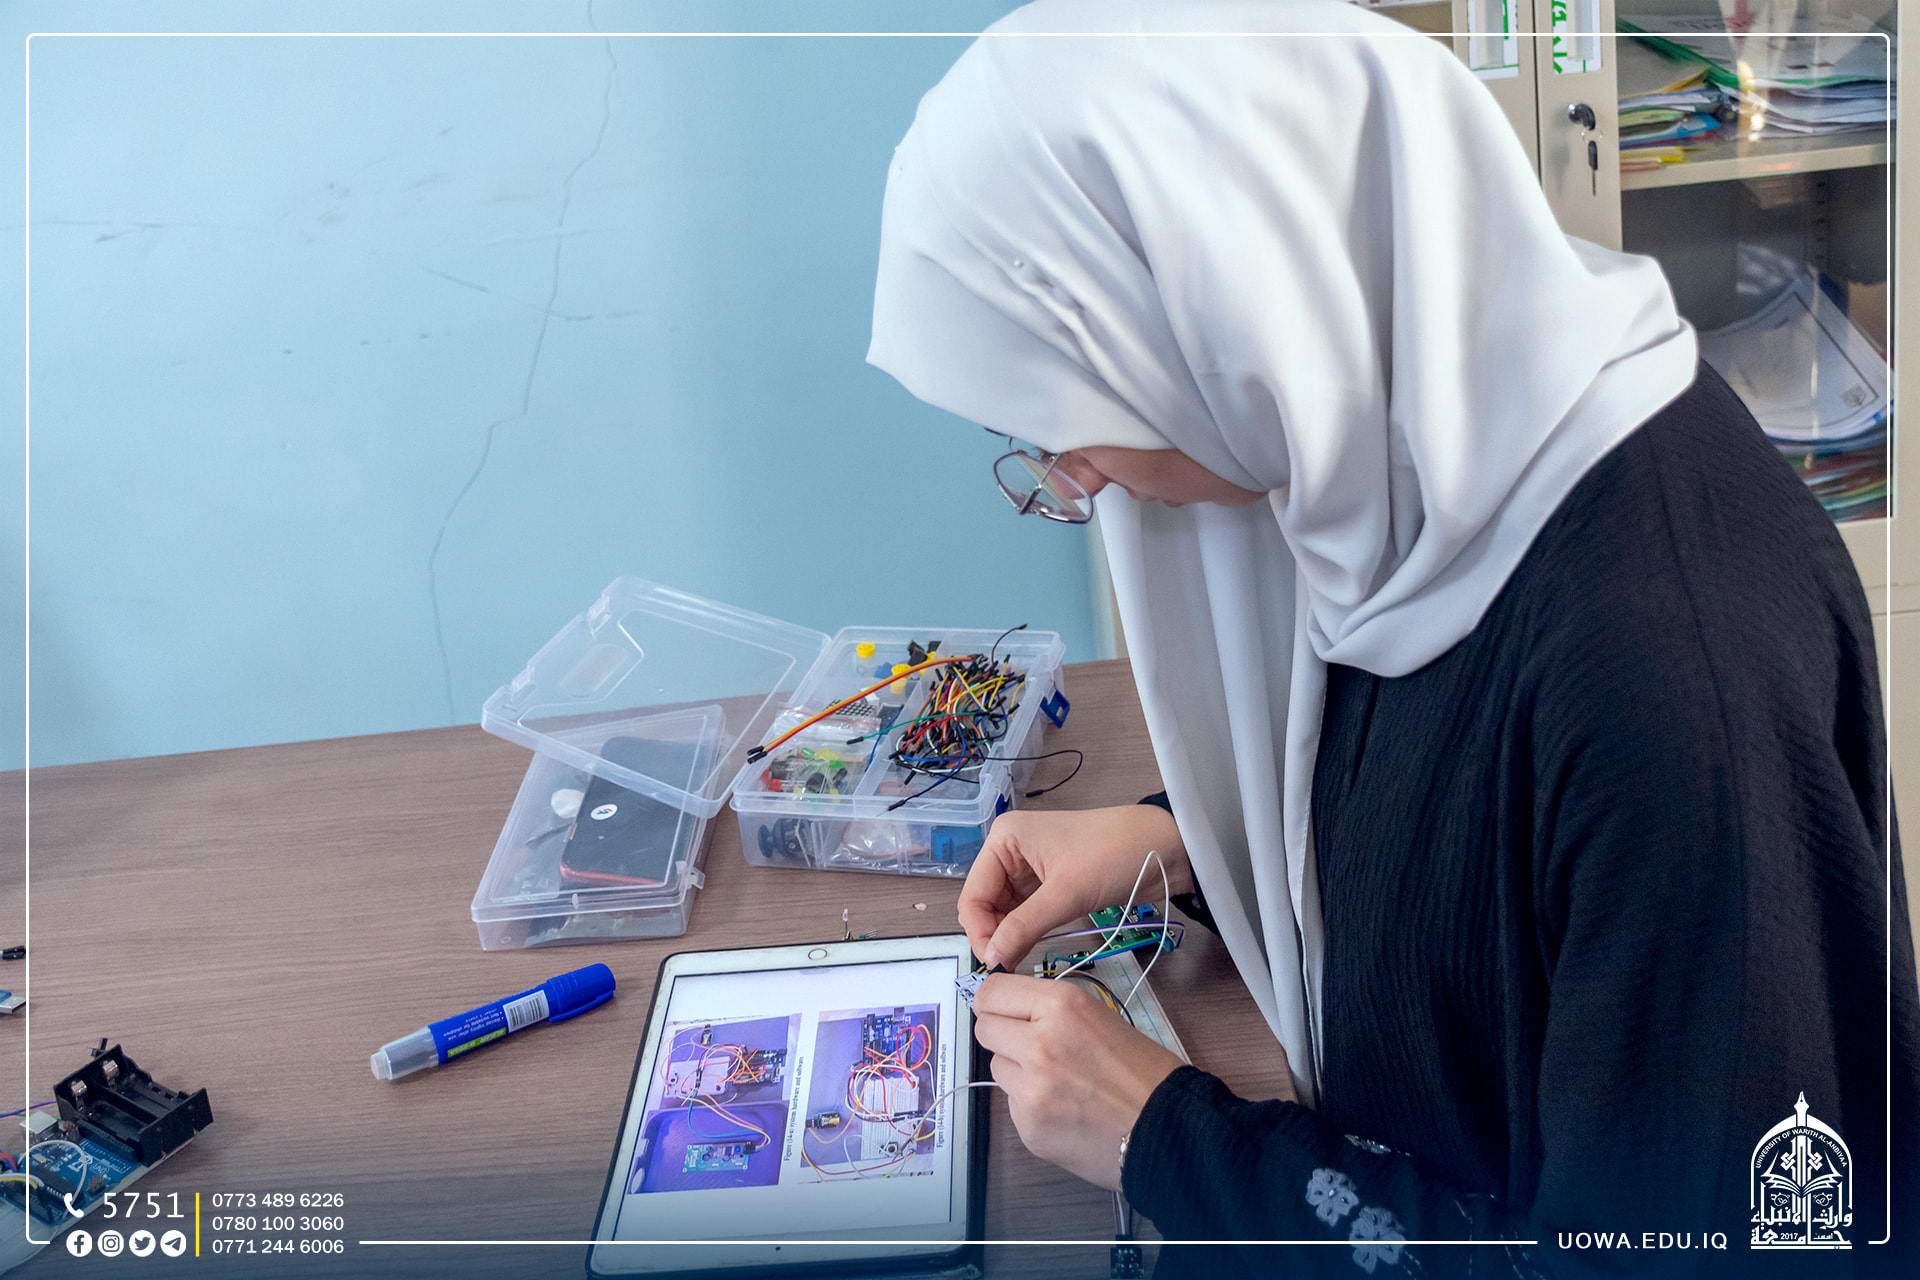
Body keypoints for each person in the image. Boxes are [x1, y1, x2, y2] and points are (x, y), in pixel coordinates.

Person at [865, 0, 1919, 1276]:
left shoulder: (1674, 680)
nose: (1075, 476)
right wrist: (1186, 837)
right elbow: (1444, 799)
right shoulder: (1417, 455)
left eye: (1063, 419)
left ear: (1214, 306)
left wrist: (1164, 1135)